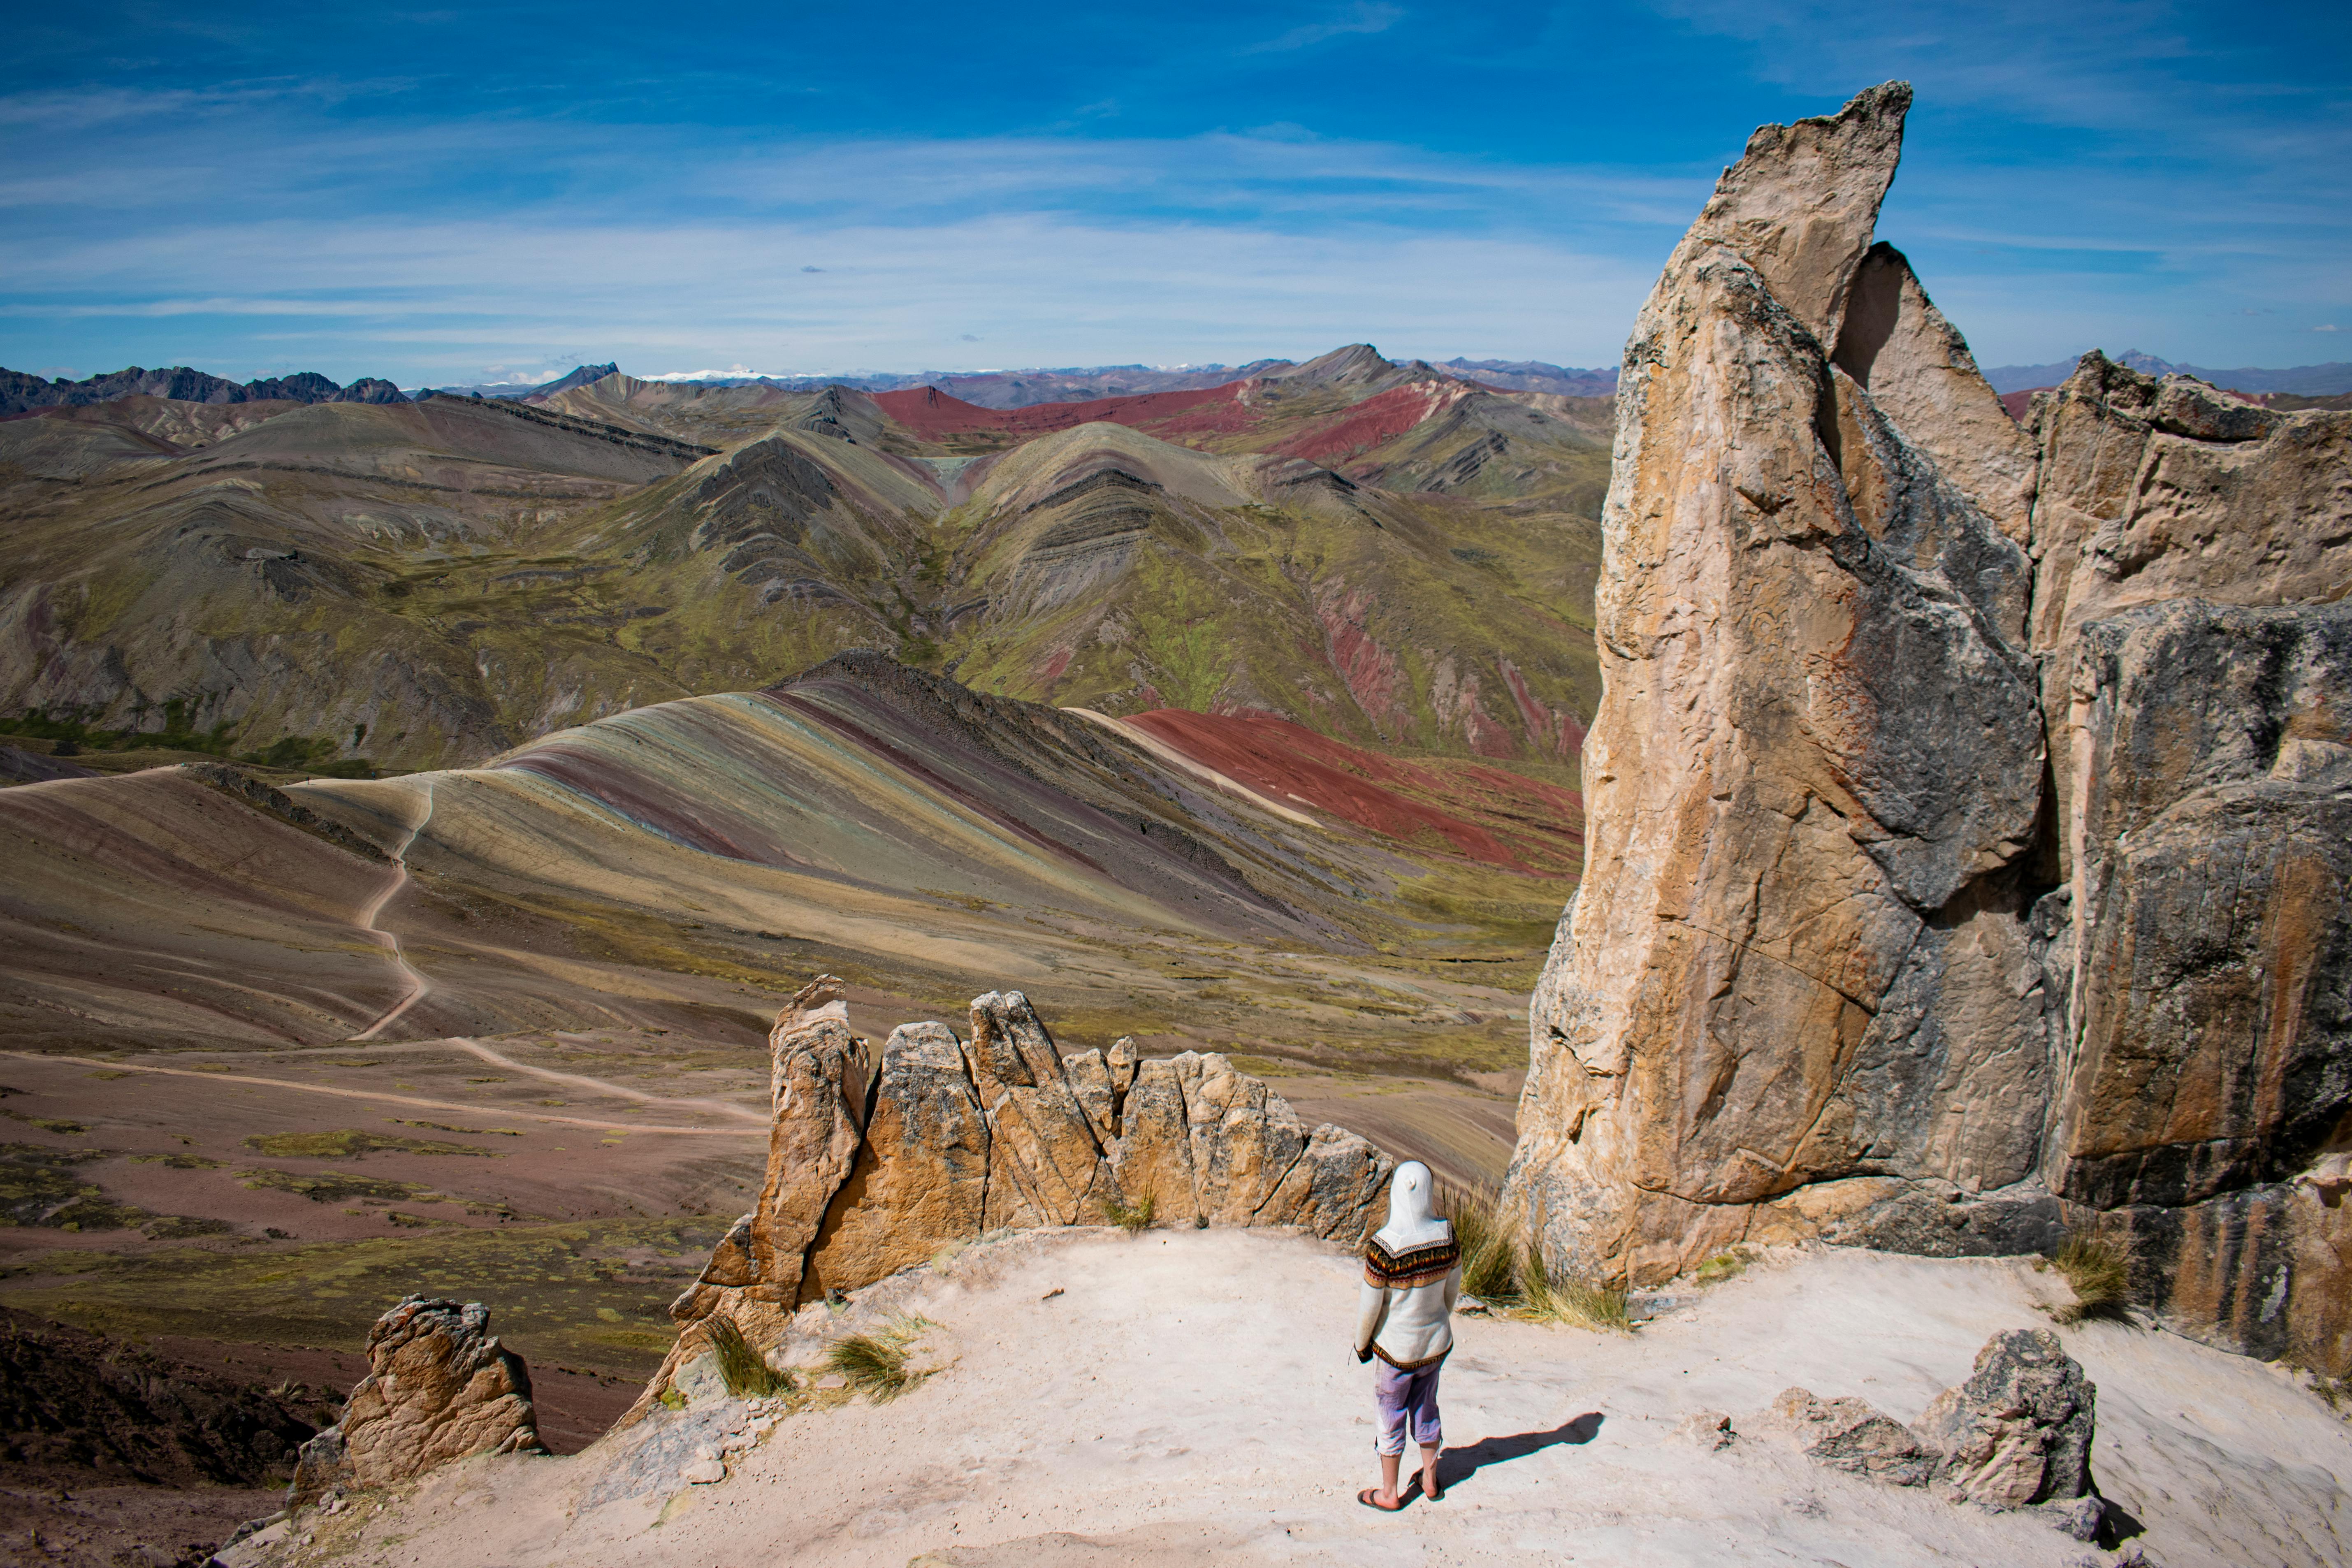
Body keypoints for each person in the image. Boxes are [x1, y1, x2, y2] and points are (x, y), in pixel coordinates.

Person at [1353, 1160, 1460, 1511]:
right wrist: (1438, 1319)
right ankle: (1430, 1480)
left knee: (1390, 1413)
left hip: (1396, 1351)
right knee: (1427, 1408)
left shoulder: (1384, 1247)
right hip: (1435, 1344)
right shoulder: (1447, 1235)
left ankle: (1390, 1493)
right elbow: (1451, 1292)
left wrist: (1362, 1344)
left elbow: (1370, 1306)